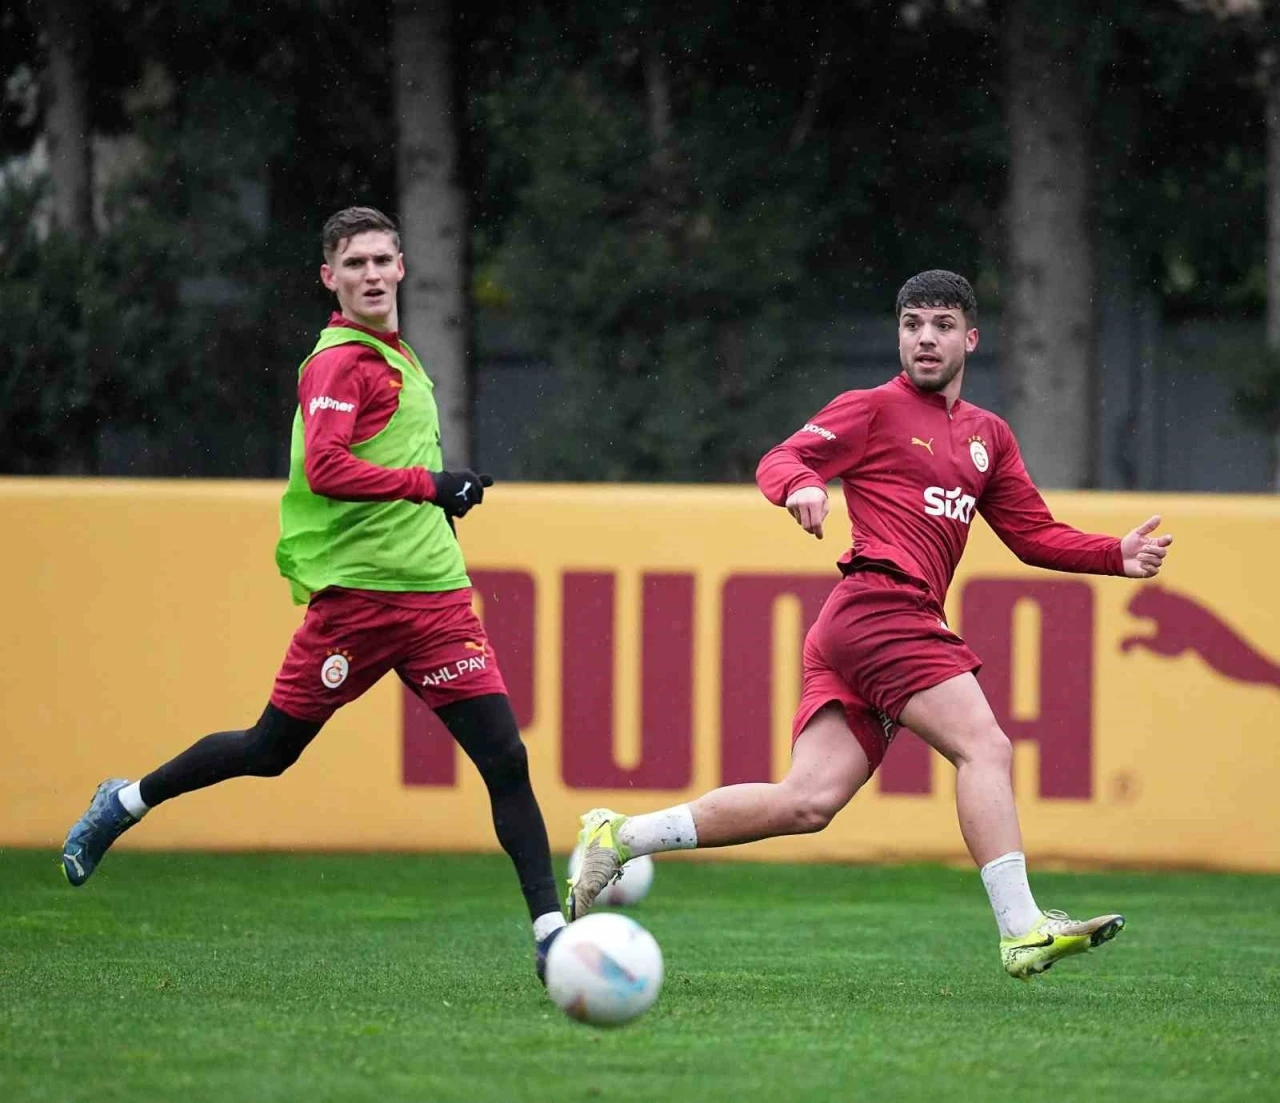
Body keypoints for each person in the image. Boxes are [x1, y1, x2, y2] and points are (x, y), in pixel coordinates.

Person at [568, 270, 1173, 980]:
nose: (925, 338)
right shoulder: (874, 409)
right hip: (882, 607)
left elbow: (1032, 534)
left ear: (971, 339)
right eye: (912, 324)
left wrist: (1113, 554)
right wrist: (802, 483)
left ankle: (623, 835)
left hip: (860, 627)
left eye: (942, 325)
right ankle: (1022, 929)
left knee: (808, 802)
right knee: (985, 746)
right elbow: (782, 458)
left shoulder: (990, 436)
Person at [61, 206, 566, 980]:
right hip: (357, 605)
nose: (371, 274)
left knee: (505, 757)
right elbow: (327, 467)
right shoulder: (338, 363)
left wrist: (438, 507)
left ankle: (551, 933)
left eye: (382, 259)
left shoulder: (400, 357)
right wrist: (431, 485)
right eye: (354, 263)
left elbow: (384, 461)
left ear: (403, 267)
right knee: (269, 750)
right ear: (330, 278)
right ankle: (125, 800)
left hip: (435, 601)